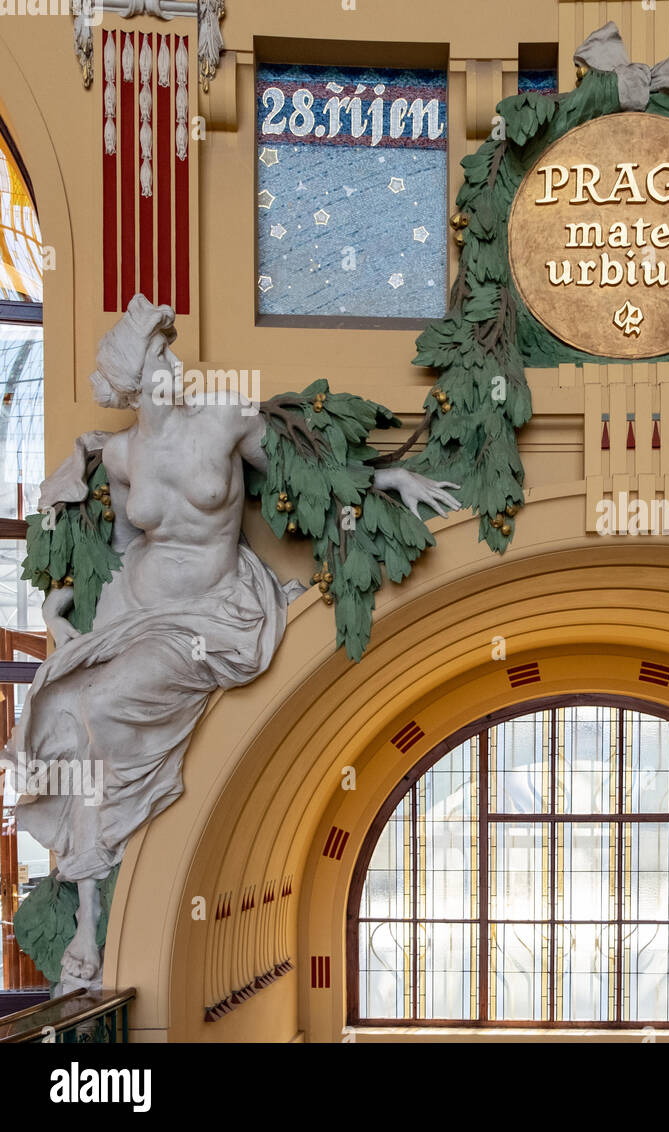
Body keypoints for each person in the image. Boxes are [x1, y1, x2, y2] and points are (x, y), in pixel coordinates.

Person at [10, 295, 459, 986]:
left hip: (210, 616)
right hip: (140, 607)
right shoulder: (125, 454)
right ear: (133, 379)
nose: (176, 362)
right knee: (63, 706)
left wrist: (386, 478)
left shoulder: (221, 418)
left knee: (93, 709)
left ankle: (92, 914)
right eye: (160, 354)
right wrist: (67, 608)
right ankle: (89, 915)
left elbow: (297, 477)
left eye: (170, 350)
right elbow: (130, 541)